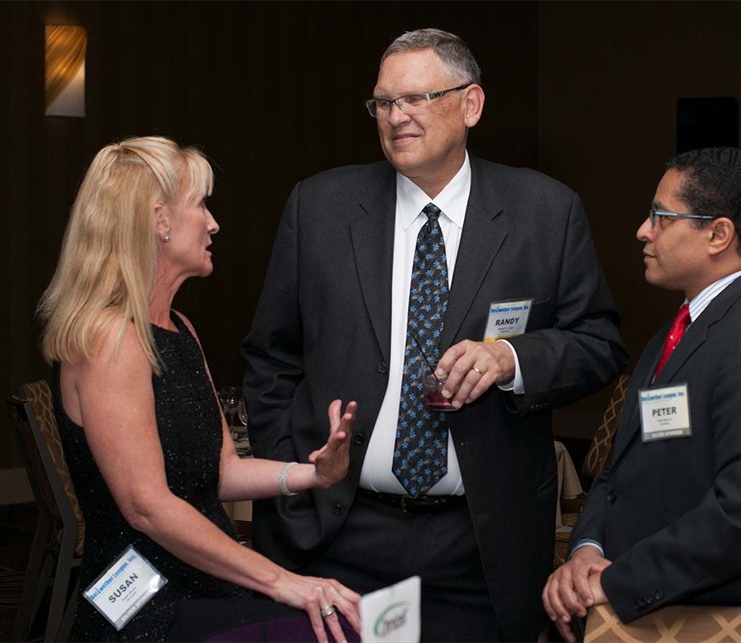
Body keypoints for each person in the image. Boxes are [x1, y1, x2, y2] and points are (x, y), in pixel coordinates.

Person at [242, 29, 627, 641]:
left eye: (417, 98)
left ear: (470, 105)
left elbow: (599, 342)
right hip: (339, 530)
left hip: (478, 538)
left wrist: (512, 358)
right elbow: (271, 357)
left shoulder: (544, 213)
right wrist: (294, 467)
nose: (397, 117)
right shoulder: (319, 207)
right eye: (384, 103)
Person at [37, 136, 361, 642]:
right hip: (148, 609)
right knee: (342, 629)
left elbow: (223, 472)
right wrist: (283, 583)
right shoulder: (111, 338)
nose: (214, 223)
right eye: (201, 205)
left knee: (360, 624)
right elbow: (146, 505)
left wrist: (313, 474)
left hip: (208, 587)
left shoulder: (179, 329)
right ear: (159, 221)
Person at [542, 147, 741, 642]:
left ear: (718, 234)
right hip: (648, 617)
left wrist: (615, 581)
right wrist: (586, 547)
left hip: (723, 620)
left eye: (660, 216)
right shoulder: (673, 333)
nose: (643, 231)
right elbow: (618, 470)